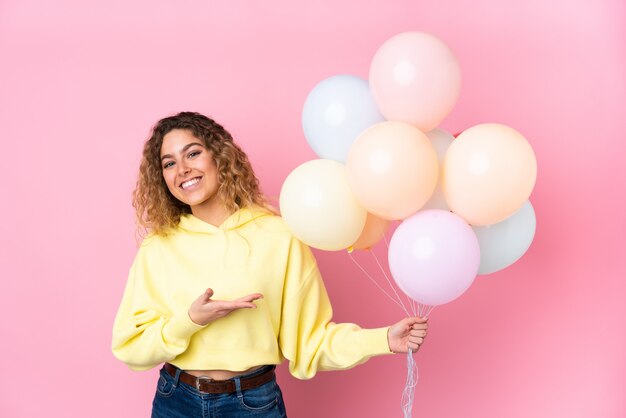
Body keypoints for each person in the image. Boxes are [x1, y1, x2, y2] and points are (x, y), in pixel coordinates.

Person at [111, 111, 428, 417]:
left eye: (192, 154)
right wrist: (191, 320)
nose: (182, 169)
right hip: (176, 400)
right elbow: (130, 347)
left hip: (251, 404)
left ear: (220, 156)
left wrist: (384, 339)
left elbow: (310, 341)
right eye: (169, 163)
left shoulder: (279, 236)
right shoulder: (159, 247)